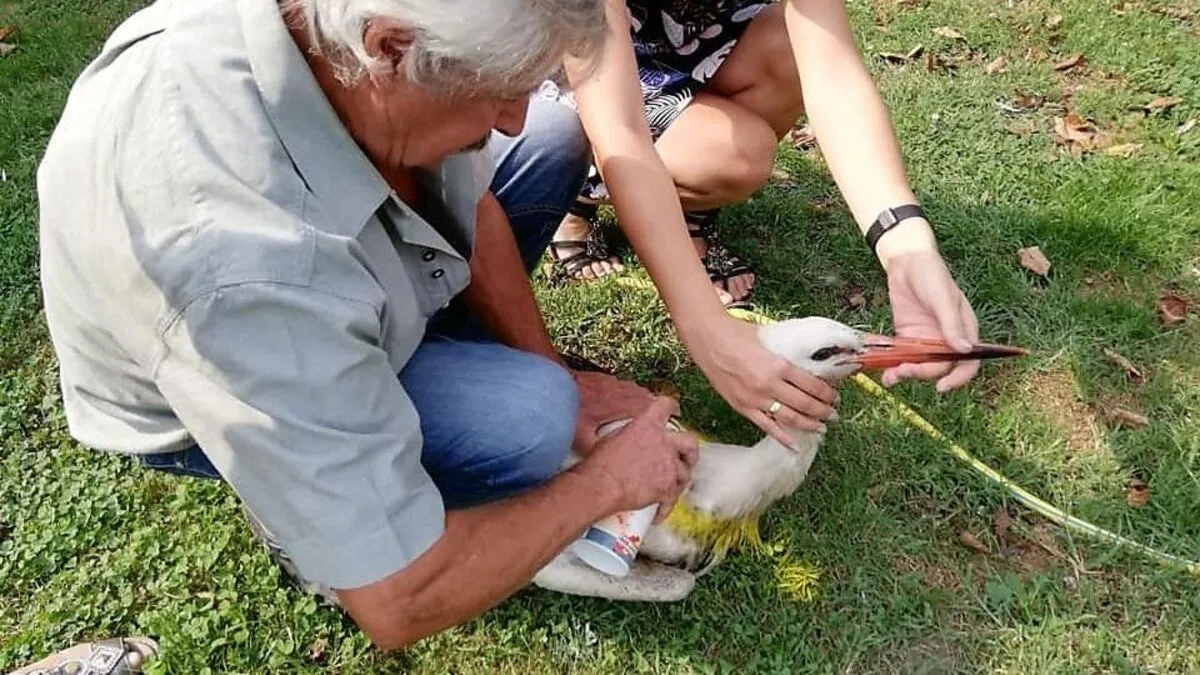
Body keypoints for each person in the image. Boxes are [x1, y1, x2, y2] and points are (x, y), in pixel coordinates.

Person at [36, 0, 701, 650]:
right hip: (229, 360)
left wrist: (562, 372)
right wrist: (603, 484)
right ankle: (315, 524)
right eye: (502, 91)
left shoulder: (354, 45)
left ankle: (392, 396)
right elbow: (400, 600)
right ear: (388, 48)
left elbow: (473, 201)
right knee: (530, 417)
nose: (512, 117)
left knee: (549, 140)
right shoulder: (245, 264)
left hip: (301, 287)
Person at [535, 0, 982, 446]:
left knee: (788, 43)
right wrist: (707, 329)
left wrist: (906, 246)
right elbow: (620, 132)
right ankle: (575, 189)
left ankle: (687, 211)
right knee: (724, 155)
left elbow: (832, 73)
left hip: (688, 50)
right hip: (584, 72)